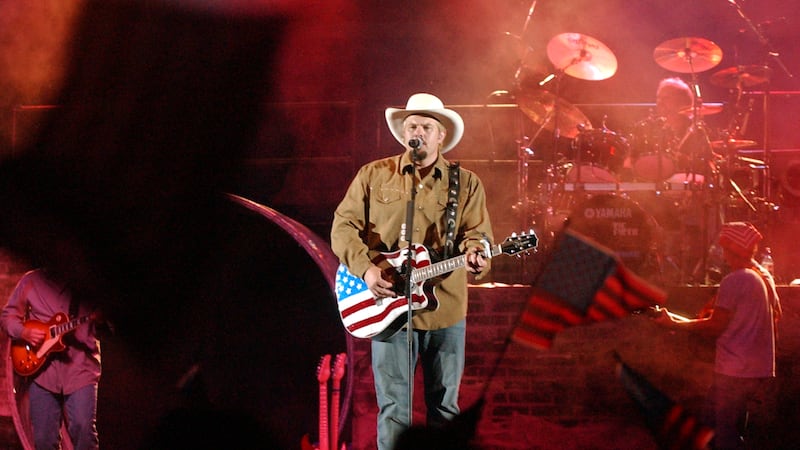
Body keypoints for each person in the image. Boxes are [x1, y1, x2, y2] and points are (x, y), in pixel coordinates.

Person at [330, 92, 493, 450]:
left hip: (445, 309)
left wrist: (477, 253)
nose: (416, 131)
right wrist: (367, 270)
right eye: (411, 126)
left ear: (440, 136)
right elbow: (342, 227)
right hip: (387, 309)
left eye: (424, 126)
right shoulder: (374, 175)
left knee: (445, 409)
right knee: (393, 409)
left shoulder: (464, 183)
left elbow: (477, 234)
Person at [655, 222, 782, 449]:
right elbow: (773, 317)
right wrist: (675, 320)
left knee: (722, 433)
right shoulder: (763, 276)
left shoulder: (735, 280)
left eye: (723, 247)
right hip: (757, 368)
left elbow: (716, 326)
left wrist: (675, 323)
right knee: (721, 426)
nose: (722, 253)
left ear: (730, 249)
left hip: (735, 370)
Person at [1, 268, 102, 449]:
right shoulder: (31, 280)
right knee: (44, 440)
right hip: (42, 373)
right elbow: (8, 317)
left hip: (80, 368)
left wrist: (103, 321)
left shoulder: (89, 283)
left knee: (83, 430)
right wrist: (24, 332)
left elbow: (109, 329)